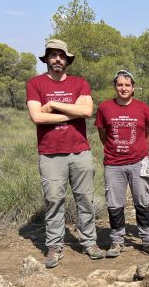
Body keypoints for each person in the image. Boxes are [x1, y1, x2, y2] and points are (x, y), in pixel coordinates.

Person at [26, 39, 105, 268]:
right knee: (53, 200)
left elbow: (87, 110)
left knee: (86, 199)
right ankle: (54, 246)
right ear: (47, 58)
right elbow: (38, 117)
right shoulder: (36, 84)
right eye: (53, 55)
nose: (57, 59)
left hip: (80, 151)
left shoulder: (80, 83)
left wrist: (53, 105)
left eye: (61, 55)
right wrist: (72, 113)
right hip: (50, 153)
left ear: (67, 59)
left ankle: (89, 242)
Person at [95, 70, 149, 258]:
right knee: (114, 204)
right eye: (120, 85)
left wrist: (140, 149)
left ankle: (148, 241)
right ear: (115, 87)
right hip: (113, 164)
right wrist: (116, 149)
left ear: (133, 87)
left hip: (138, 162)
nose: (123, 88)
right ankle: (117, 241)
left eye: (127, 85)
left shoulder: (142, 108)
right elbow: (103, 134)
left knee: (142, 202)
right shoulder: (105, 108)